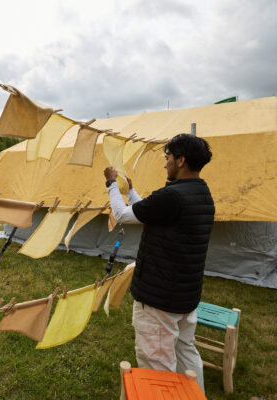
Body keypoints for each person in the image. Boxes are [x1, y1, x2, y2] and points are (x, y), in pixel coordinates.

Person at [104, 133, 215, 392]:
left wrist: (111, 184)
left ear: (181, 160)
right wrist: (130, 191)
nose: (165, 163)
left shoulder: (172, 196)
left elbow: (121, 215)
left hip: (159, 299)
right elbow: (150, 210)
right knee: (186, 354)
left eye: (168, 157)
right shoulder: (200, 191)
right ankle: (195, 396)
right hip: (184, 296)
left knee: (157, 365)